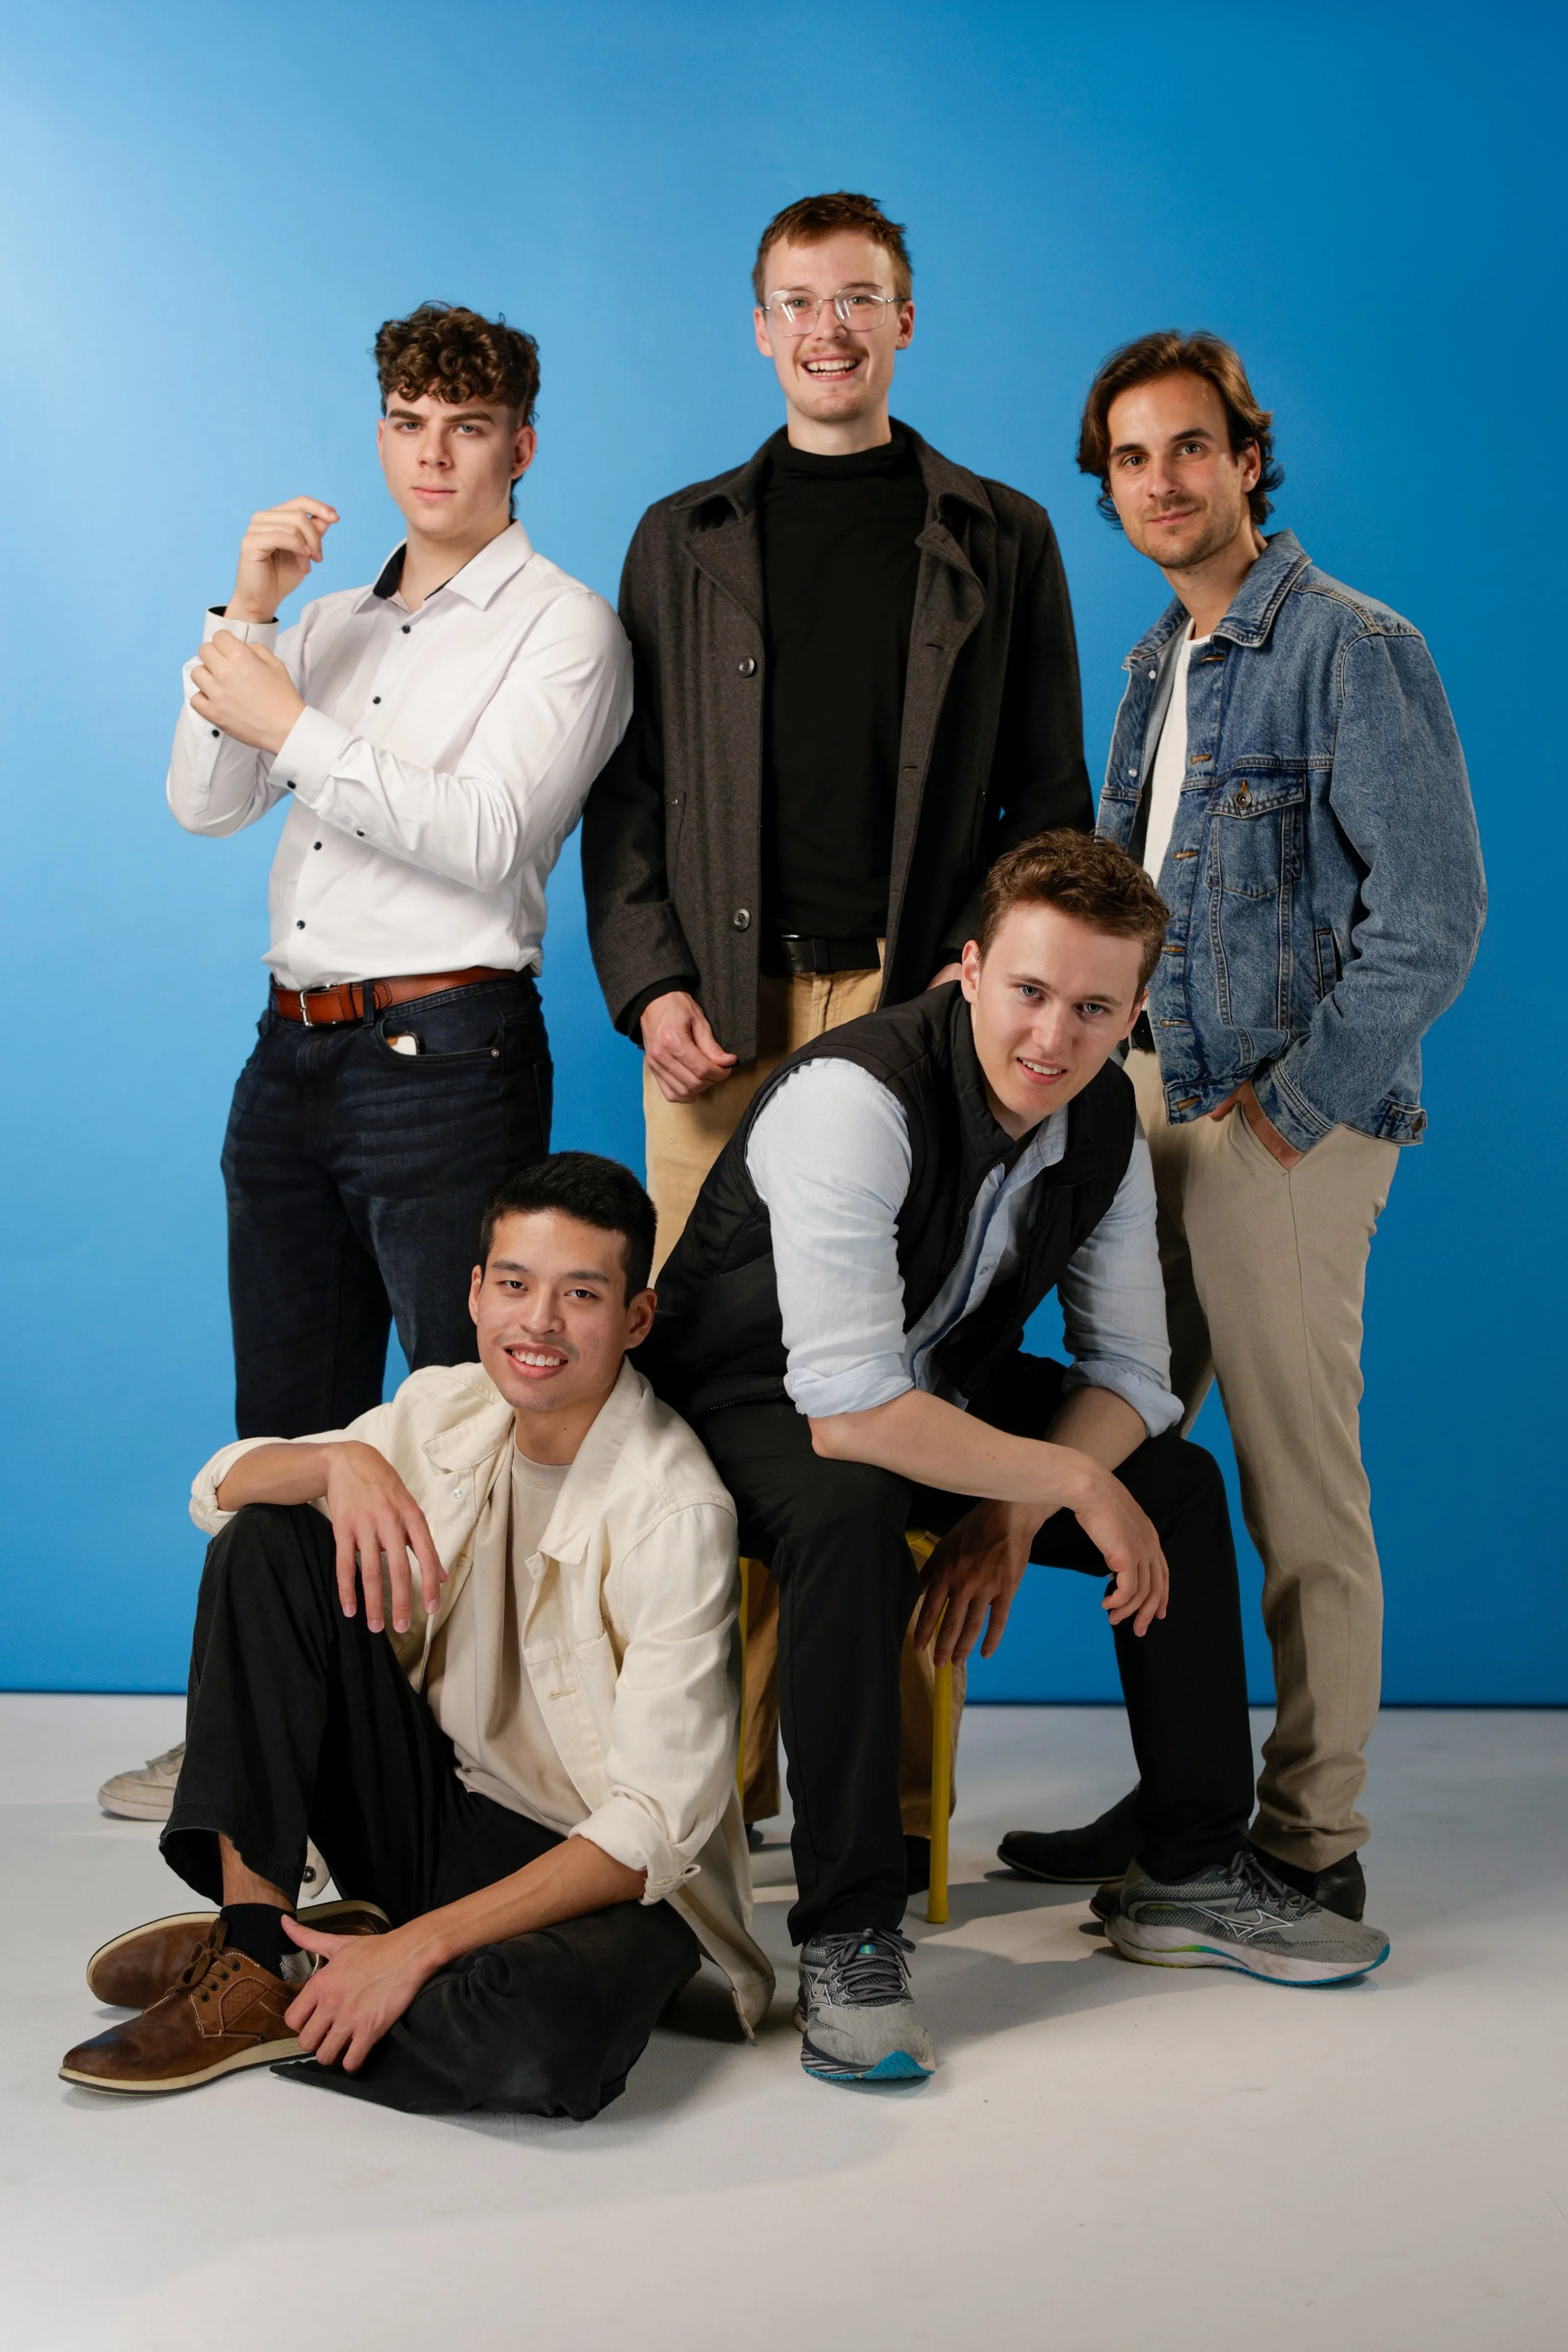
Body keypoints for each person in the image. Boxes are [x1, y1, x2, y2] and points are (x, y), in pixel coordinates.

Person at [640, 831, 1389, 2087]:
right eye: (1030, 993)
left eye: (1094, 1009)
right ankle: (849, 1933)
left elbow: (1132, 1376)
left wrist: (1013, 1509)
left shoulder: (1094, 1115)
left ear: (1132, 1011)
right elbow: (843, 1407)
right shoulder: (853, 1098)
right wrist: (1059, 1479)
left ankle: (1187, 1869)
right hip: (752, 1397)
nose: (1052, 1036)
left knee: (1176, 1482)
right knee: (849, 1505)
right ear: (969, 972)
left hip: (927, 1388)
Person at [581, 189, 1092, 1857]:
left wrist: (978, 983)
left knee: (876, 1374)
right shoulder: (685, 534)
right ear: (757, 324)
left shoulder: (1000, 532)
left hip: (917, 1008)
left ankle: (840, 1770)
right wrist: (649, 981)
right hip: (717, 1025)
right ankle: (698, 1780)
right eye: (799, 300)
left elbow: (1049, 799)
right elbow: (632, 796)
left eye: (860, 298)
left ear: (905, 319)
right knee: (703, 1383)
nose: (829, 327)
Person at [99, 303, 632, 1824]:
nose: (435, 453)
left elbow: (487, 841)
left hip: (446, 1053)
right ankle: (257, 1748)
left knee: (470, 1422)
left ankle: (471, 1764)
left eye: (468, 426)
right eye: (409, 421)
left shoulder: (565, 627)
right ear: (382, 434)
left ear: (520, 444)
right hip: (292, 1052)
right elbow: (205, 802)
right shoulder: (331, 623)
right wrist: (254, 614)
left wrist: (295, 730)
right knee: (288, 1421)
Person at [1003, 334, 1484, 1919]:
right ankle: (1189, 1803)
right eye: (1131, 461)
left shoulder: (1350, 646)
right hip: (1146, 1111)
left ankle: (1311, 1847)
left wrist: (1286, 1111)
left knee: (1294, 1495)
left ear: (1245, 459)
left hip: (1282, 1126)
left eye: (1189, 449)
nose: (1162, 483)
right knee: (1125, 1452)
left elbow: (1430, 917)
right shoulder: (1159, 664)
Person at [63, 1155, 771, 2113]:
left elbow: (651, 1831)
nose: (539, 1323)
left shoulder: (674, 1509)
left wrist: (421, 1943)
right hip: (429, 1807)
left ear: (635, 1318)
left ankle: (297, 1967)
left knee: (543, 2047)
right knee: (269, 1542)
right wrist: (335, 1463)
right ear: (476, 1292)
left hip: (591, 1877)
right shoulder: (447, 1405)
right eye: (515, 1284)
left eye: (582, 1294)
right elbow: (215, 1490)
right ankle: (258, 1941)